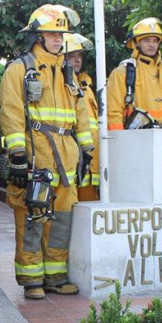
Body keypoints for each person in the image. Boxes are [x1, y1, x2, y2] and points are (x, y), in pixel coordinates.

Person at [0, 4, 93, 300]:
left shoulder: (68, 70)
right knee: (32, 216)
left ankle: (55, 275)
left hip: (66, 156)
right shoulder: (21, 68)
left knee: (62, 217)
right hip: (36, 154)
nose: (58, 39)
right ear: (38, 36)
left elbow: (81, 111)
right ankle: (31, 280)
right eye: (52, 34)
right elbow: (11, 112)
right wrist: (17, 154)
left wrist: (87, 149)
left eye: (61, 34)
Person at [107, 17, 162, 130]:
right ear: (136, 43)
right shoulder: (123, 73)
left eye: (155, 40)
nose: (152, 45)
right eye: (147, 40)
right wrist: (122, 143)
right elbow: (114, 113)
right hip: (137, 139)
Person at [65, 33, 100, 201]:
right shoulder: (64, 85)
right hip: (72, 158)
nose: (77, 60)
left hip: (90, 161)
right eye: (72, 56)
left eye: (79, 56)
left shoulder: (87, 86)